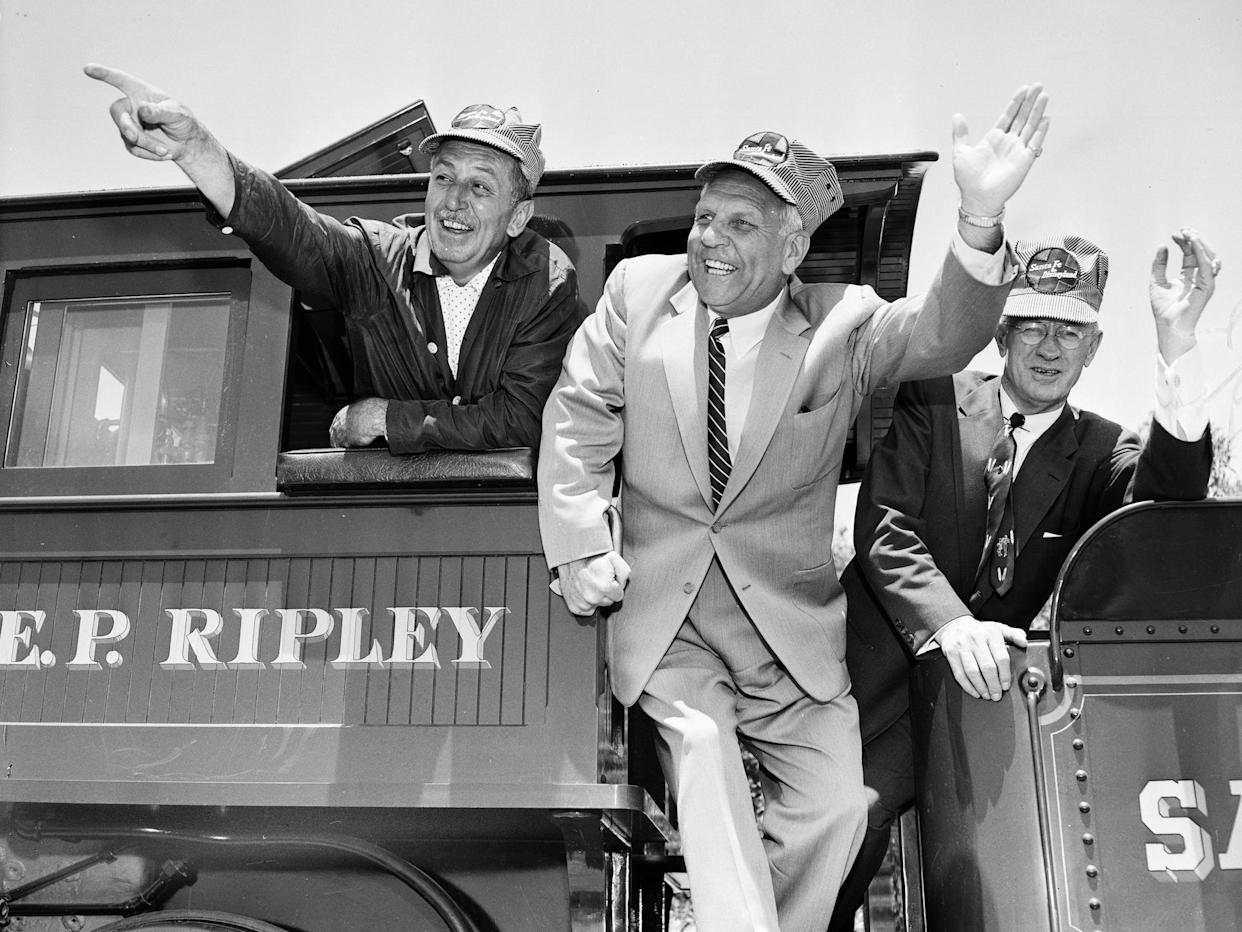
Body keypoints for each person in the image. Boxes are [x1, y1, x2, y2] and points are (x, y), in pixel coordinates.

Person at [538, 84, 1050, 931]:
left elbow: (940, 337)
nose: (710, 238)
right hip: (668, 615)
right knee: (701, 751)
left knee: (842, 811)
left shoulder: (842, 322)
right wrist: (582, 539)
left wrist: (981, 220)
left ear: (792, 247)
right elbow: (579, 416)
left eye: (741, 224)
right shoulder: (637, 292)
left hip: (790, 634)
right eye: (706, 216)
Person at [831, 230, 1218, 930]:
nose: (1049, 347)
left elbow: (1167, 503)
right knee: (842, 829)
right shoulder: (933, 397)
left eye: (1070, 331)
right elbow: (884, 527)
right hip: (860, 684)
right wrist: (951, 626)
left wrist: (1177, 347)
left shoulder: (1102, 449)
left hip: (979, 713)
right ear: (1001, 334)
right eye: (1033, 324)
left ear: (1093, 348)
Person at [85, 65, 583, 455]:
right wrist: (196, 151)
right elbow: (294, 228)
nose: (454, 202)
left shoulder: (546, 281)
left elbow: (522, 420)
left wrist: (383, 418)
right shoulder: (377, 257)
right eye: (444, 177)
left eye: (480, 186)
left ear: (518, 217)